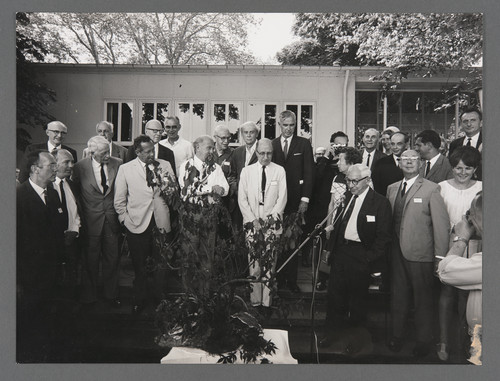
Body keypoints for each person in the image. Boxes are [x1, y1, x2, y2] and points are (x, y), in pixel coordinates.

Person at [319, 164, 392, 348]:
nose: (350, 185)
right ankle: (331, 335)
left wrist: (369, 258)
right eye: (348, 180)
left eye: (354, 181)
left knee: (357, 301)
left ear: (367, 180)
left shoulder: (380, 202)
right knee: (335, 298)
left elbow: (383, 236)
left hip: (361, 255)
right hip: (341, 253)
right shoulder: (347, 197)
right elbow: (337, 225)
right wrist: (330, 249)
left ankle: (355, 341)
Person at [386, 149, 450, 358]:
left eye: (414, 159)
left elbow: (441, 226)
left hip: (421, 254)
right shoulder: (392, 188)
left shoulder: (432, 189)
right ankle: (397, 335)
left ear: (421, 163)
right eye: (405, 159)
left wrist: (439, 258)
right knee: (398, 296)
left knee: (423, 300)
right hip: (396, 252)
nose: (409, 162)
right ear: (399, 163)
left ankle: (424, 340)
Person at [115, 135, 176, 314]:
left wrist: (166, 186)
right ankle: (139, 299)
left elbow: (174, 193)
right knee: (139, 265)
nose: (152, 154)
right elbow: (119, 200)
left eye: (153, 150)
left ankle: (160, 300)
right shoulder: (126, 169)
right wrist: (124, 220)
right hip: (136, 222)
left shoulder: (164, 165)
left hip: (161, 221)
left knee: (162, 264)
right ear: (138, 152)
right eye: (148, 151)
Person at [436, 146, 482, 361]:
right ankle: (444, 341)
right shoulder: (441, 187)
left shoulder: (483, 188)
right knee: (446, 294)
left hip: (475, 249)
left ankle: (466, 342)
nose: (463, 172)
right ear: (451, 167)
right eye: (458, 168)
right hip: (448, 245)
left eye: (468, 168)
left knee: (468, 296)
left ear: (475, 169)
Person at [17, 150, 62, 360]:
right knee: (30, 324)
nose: (56, 169)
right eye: (51, 166)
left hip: (51, 274)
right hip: (29, 277)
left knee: (49, 321)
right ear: (35, 169)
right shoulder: (18, 197)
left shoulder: (52, 194)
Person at [72, 136, 122, 309]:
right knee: (90, 260)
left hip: (111, 219)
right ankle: (89, 296)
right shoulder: (80, 167)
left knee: (112, 259)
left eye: (108, 151)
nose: (108, 155)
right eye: (103, 153)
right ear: (92, 153)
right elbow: (76, 193)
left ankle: (111, 295)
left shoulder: (118, 163)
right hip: (90, 220)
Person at [238, 138, 287, 310]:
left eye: (269, 153)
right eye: (262, 153)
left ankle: (267, 302)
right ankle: (255, 301)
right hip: (253, 223)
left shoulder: (279, 171)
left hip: (271, 223)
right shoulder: (247, 171)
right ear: (256, 153)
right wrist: (253, 220)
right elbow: (242, 199)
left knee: (270, 262)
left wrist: (270, 219)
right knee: (254, 262)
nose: (265, 157)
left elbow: (282, 198)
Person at [177, 136, 230, 294]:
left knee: (207, 256)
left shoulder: (215, 168)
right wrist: (211, 188)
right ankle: (189, 296)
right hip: (190, 215)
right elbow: (187, 190)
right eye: (209, 148)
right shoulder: (186, 165)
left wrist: (217, 188)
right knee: (189, 255)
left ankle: (204, 295)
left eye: (213, 148)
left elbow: (225, 189)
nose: (212, 151)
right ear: (197, 147)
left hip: (209, 215)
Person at [271, 110, 314, 293]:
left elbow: (309, 173)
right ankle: (278, 279)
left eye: (292, 125)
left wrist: (305, 199)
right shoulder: (272, 145)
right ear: (279, 125)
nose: (288, 129)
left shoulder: (303, 144)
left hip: (296, 201)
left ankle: (292, 281)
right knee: (277, 241)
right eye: (285, 125)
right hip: (275, 202)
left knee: (293, 241)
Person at [318, 147, 363, 291]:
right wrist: (329, 224)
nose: (337, 163)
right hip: (335, 223)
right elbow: (331, 203)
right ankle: (324, 280)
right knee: (328, 252)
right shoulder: (337, 178)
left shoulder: (362, 180)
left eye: (341, 160)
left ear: (350, 162)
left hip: (350, 227)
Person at [52, 149, 82, 299]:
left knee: (70, 280)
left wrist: (75, 230)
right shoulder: (48, 187)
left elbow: (76, 211)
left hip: (72, 241)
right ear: (55, 164)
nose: (71, 165)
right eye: (66, 162)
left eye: (72, 162)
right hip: (53, 244)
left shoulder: (72, 185)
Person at [229, 121, 259, 227]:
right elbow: (232, 174)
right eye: (246, 132)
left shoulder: (263, 150)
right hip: (240, 199)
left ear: (257, 134)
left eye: (252, 132)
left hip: (257, 198)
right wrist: (237, 190)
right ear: (242, 135)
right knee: (240, 230)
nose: (249, 135)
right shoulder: (237, 152)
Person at [449, 107, 483, 180]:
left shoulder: (489, 142)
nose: (469, 124)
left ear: (481, 123)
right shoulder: (454, 144)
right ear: (461, 124)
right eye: (465, 121)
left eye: (473, 120)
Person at [371, 132, 408, 197]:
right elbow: (376, 189)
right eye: (392, 144)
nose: (395, 147)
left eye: (399, 144)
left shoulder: (413, 163)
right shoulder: (380, 163)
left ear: (406, 144)